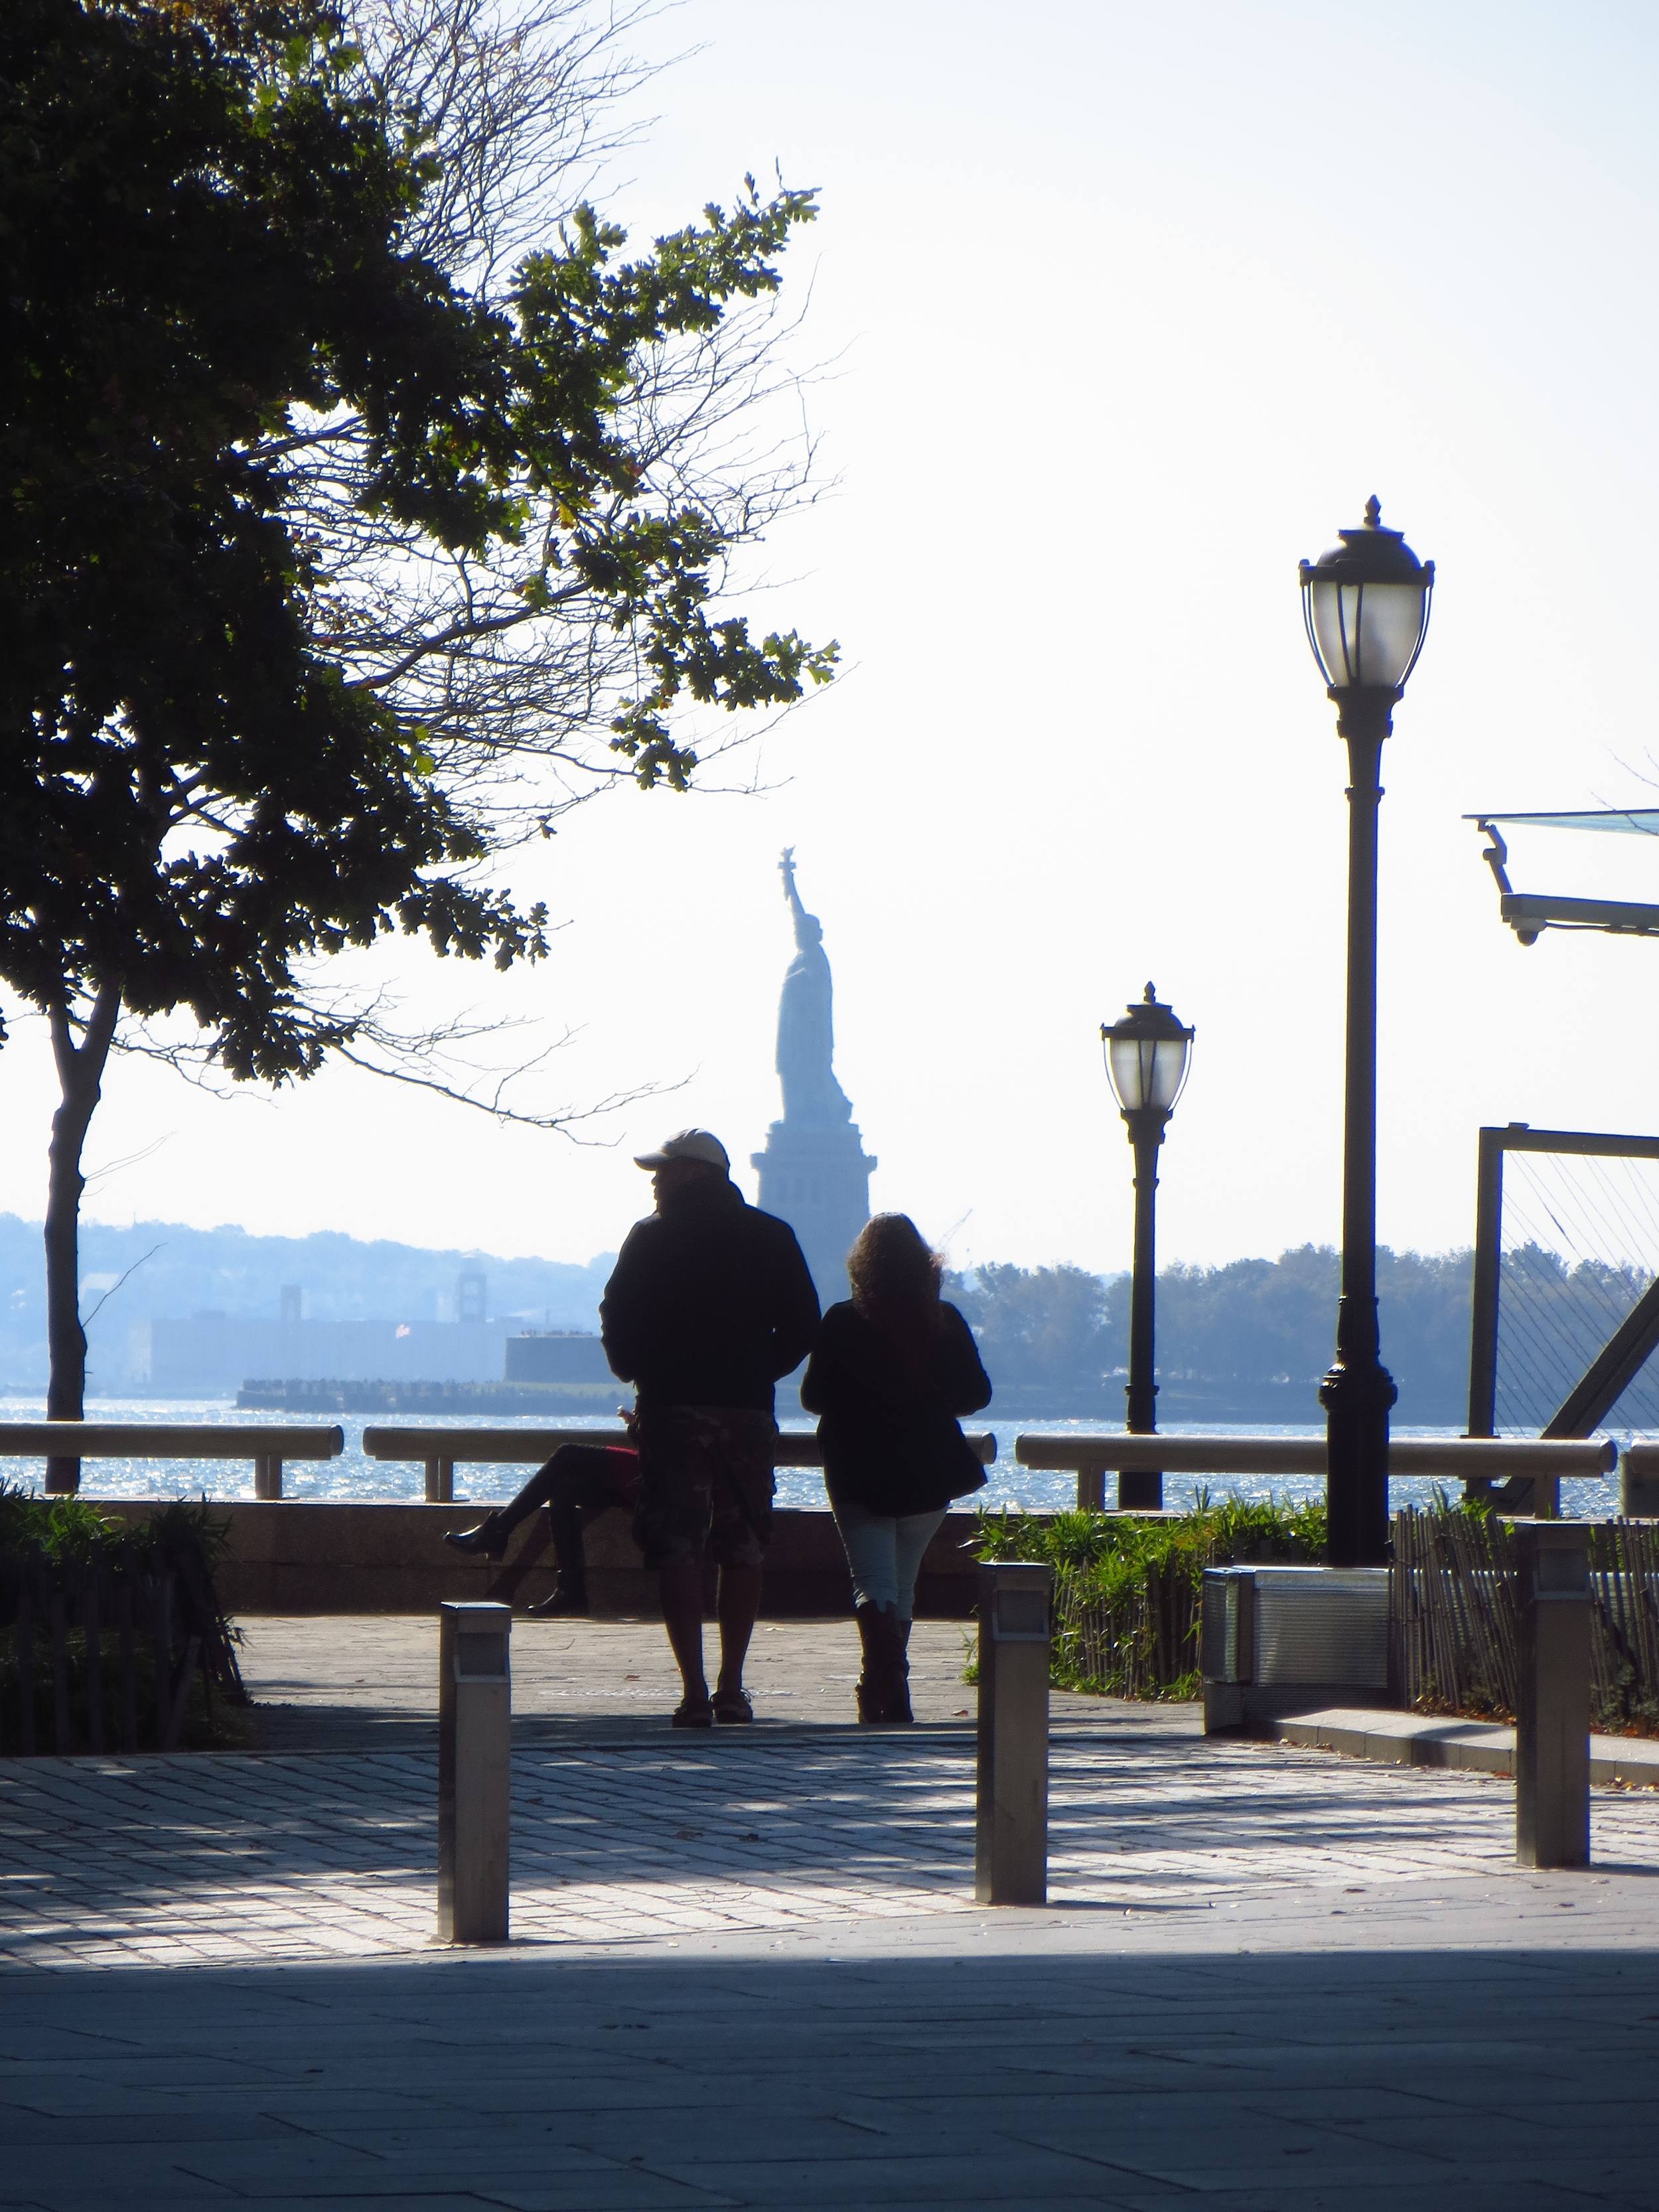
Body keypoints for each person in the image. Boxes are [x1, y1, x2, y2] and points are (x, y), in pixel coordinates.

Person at [600, 1127, 820, 1727]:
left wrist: (644, 1374)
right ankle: (732, 1687)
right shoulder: (773, 1236)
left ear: (694, 1173)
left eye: (663, 1171)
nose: (654, 1181)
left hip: (673, 1411)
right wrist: (757, 1372)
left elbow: (617, 1317)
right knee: (742, 1547)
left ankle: (694, 1692)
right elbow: (805, 1324)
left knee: (677, 1547)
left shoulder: (650, 1238)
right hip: (747, 1413)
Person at [800, 1214, 991, 1724]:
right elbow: (979, 1393)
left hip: (859, 1469)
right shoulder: (944, 1319)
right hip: (929, 1471)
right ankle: (884, 1687)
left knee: (873, 1581)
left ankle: (886, 1685)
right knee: (901, 1585)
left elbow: (813, 1396)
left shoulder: (844, 1320)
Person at [442, 1415, 642, 1618]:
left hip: (657, 1471)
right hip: (652, 1468)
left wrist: (639, 1422)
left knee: (567, 1454)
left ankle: (496, 1532)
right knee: (563, 1488)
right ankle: (570, 1592)